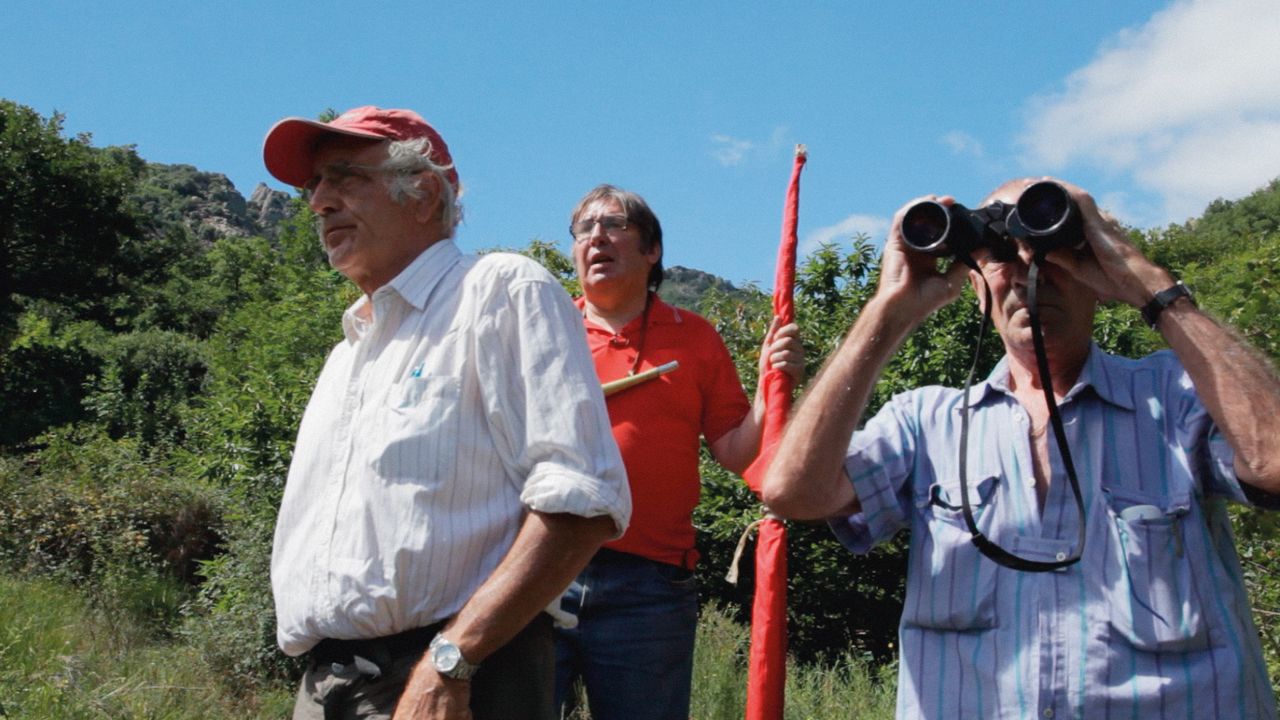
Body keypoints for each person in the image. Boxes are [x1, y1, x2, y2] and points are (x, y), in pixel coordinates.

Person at [762, 177, 1280, 719]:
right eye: (1000, 257)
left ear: (1097, 274)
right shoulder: (927, 421)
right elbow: (793, 492)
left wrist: (1150, 285)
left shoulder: (1175, 398)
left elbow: (1271, 463)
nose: (1027, 275)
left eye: (1053, 254)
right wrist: (887, 312)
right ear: (975, 283)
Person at [262, 107, 631, 720]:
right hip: (326, 684)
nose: (319, 202)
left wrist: (453, 659)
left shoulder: (499, 291)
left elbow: (583, 498)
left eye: (345, 177)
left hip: (456, 678)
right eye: (313, 186)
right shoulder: (344, 357)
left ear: (425, 192)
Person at [554, 184, 803, 720]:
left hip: (650, 582)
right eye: (583, 229)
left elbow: (737, 454)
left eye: (614, 224)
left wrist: (769, 389)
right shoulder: (545, 331)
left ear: (652, 251)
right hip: (540, 568)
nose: (596, 236)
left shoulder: (695, 338)